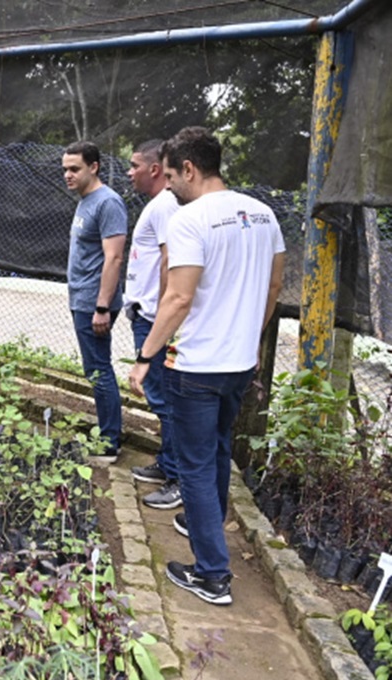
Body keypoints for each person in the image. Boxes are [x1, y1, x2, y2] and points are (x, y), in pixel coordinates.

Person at [130, 127, 285, 606]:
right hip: (239, 363)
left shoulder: (189, 219)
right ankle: (208, 525)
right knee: (216, 449)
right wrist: (251, 336)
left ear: (189, 169)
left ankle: (212, 574)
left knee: (194, 466)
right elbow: (274, 286)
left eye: (171, 176)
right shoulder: (264, 214)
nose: (168, 185)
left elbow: (177, 298)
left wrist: (145, 357)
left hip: (196, 365)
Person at [123, 140, 181, 507]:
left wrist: (162, 317)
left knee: (164, 398)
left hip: (153, 319)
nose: (130, 172)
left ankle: (177, 477)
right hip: (146, 315)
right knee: (159, 395)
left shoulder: (165, 206)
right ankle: (166, 462)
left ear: (155, 169)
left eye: (135, 166)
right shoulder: (159, 205)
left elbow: (169, 262)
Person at [62, 140, 126, 462]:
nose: (68, 175)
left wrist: (102, 307)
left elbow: (113, 258)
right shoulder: (85, 200)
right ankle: (107, 432)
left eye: (75, 169)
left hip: (94, 303)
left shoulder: (108, 202)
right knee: (94, 368)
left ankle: (110, 441)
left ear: (94, 167)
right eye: (65, 169)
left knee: (99, 369)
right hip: (82, 298)